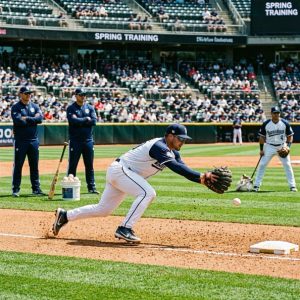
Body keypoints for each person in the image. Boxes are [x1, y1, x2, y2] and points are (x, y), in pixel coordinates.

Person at [52, 124, 218, 243]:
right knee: (148, 193)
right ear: (170, 136)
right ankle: (125, 228)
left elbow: (182, 166)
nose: (182, 142)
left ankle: (65, 216)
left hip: (123, 173)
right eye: (180, 138)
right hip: (121, 170)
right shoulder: (159, 146)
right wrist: (202, 176)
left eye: (184, 139)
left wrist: (200, 179)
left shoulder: (172, 151)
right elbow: (175, 167)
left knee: (103, 209)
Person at [253, 106, 297, 192]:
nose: (276, 114)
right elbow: (262, 138)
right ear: (271, 113)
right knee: (262, 165)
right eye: (275, 113)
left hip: (282, 146)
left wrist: (287, 147)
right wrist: (261, 149)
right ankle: (256, 185)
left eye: (278, 113)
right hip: (269, 146)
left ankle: (292, 186)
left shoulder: (285, 123)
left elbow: (290, 136)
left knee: (287, 165)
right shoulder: (266, 124)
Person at [11, 86, 45, 197]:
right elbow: (19, 121)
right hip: (21, 141)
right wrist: (32, 118)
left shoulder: (35, 106)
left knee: (34, 166)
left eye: (29, 93)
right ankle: (16, 189)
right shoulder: (16, 107)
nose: (28, 95)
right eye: (26, 93)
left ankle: (36, 189)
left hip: (33, 141)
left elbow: (40, 119)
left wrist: (27, 118)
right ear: (20, 94)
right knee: (18, 165)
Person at [67, 88, 99, 194]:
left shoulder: (90, 107)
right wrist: (86, 119)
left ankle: (91, 187)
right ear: (75, 96)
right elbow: (73, 120)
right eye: (81, 95)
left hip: (88, 141)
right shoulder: (71, 108)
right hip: (75, 141)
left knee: (89, 165)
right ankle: (70, 187)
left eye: (84, 95)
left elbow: (94, 121)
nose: (83, 96)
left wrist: (80, 121)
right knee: (73, 165)